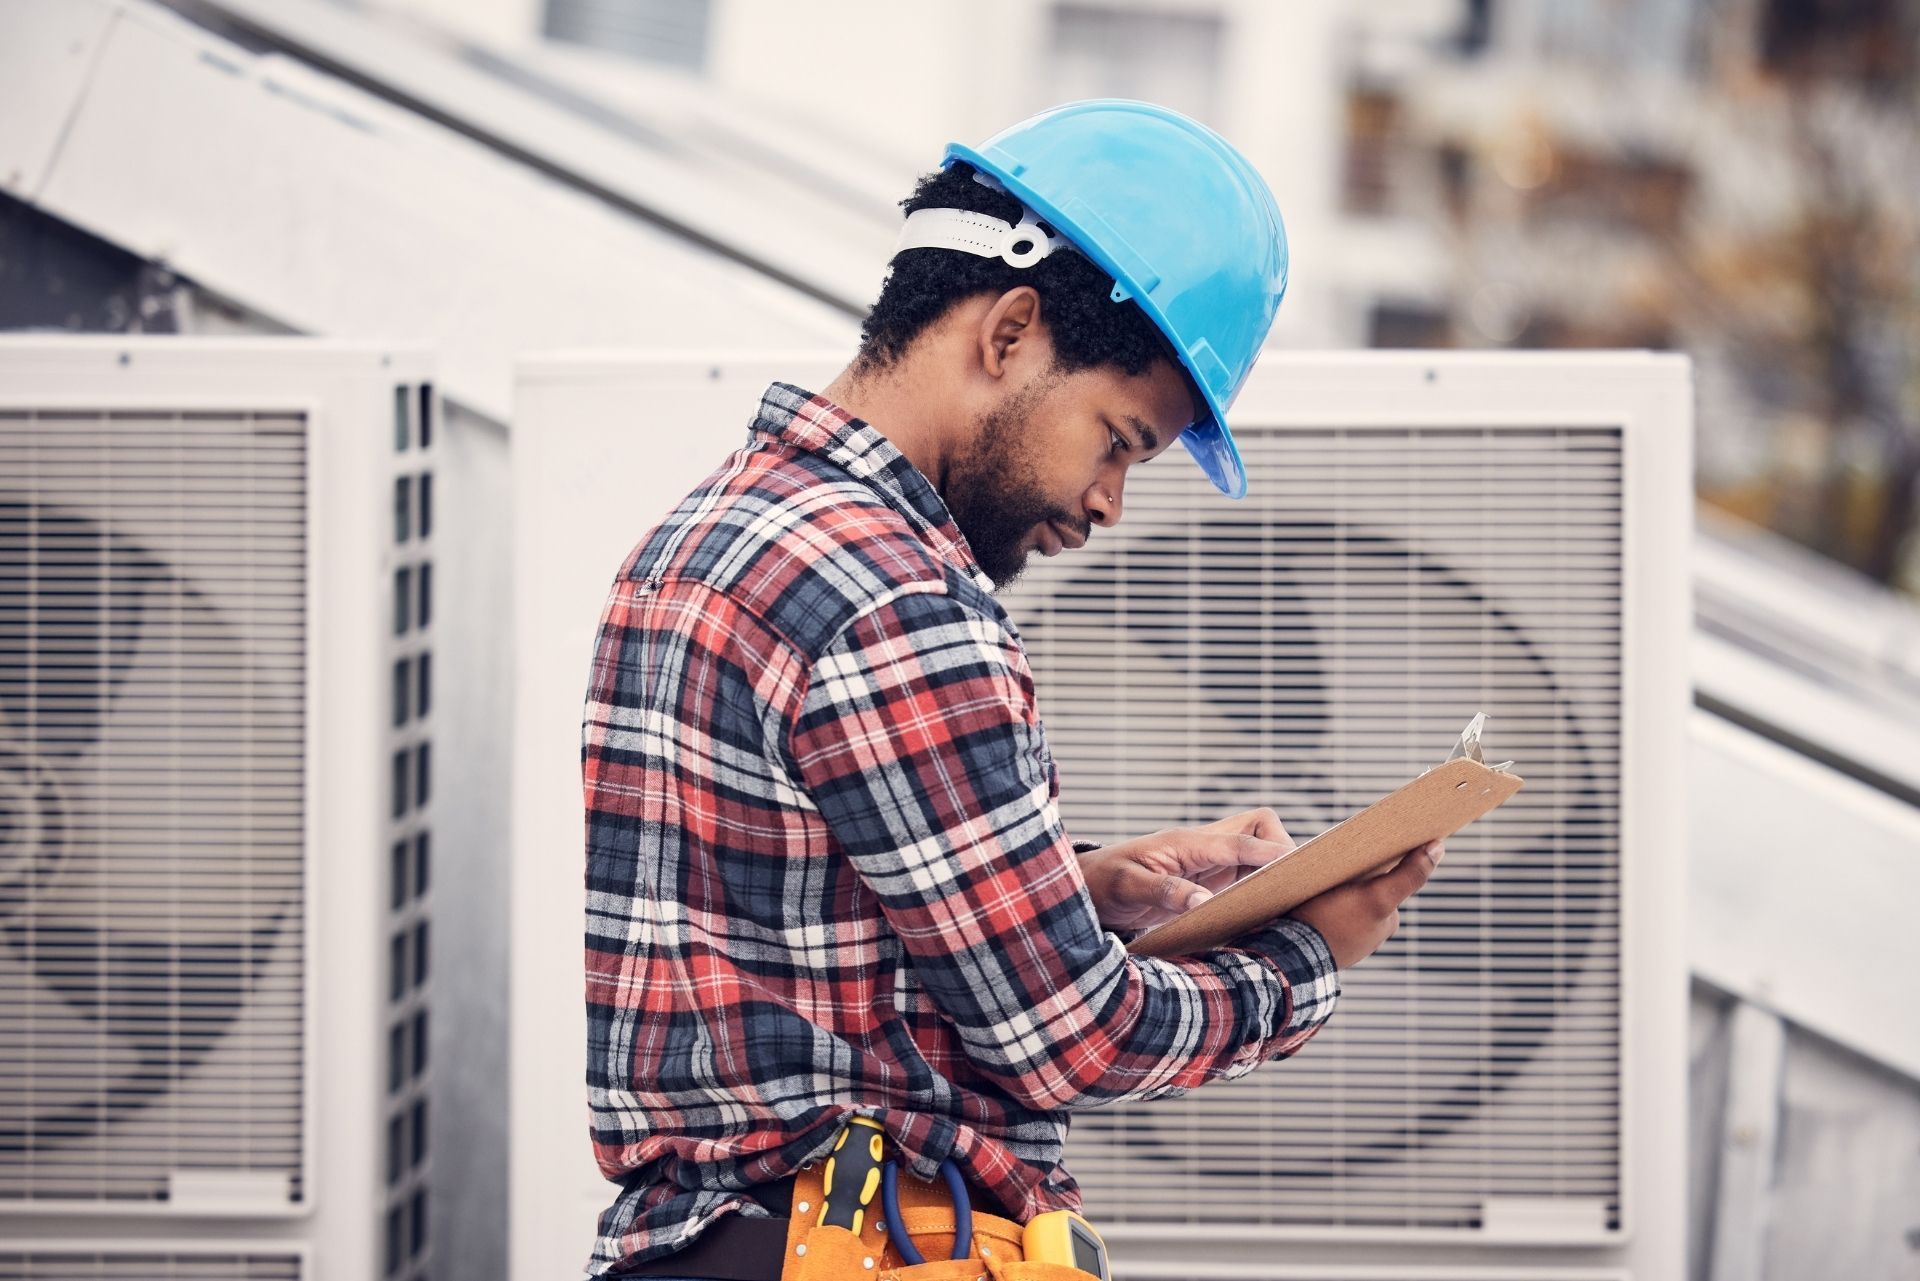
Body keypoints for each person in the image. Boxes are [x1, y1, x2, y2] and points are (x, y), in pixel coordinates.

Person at [580, 100, 1444, 1280]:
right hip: (864, 1246)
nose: (1108, 507)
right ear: (1010, 333)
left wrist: (1069, 889)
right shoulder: (898, 600)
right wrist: (1312, 955)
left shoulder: (705, 535)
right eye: (1120, 440)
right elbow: (1070, 1040)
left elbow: (783, 907)